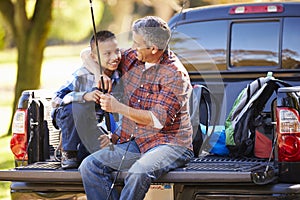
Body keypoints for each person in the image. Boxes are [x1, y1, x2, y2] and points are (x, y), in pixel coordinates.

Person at [78, 16, 194, 200]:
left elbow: (157, 120)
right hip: (137, 141)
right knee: (90, 166)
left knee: (139, 172)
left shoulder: (175, 75)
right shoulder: (134, 56)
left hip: (170, 144)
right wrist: (99, 72)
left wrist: (119, 107)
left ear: (153, 49)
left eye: (136, 43)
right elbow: (87, 53)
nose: (132, 47)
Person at [51, 30, 121, 169]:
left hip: (93, 125)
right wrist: (83, 96)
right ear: (94, 57)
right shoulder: (82, 74)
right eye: (107, 54)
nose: (115, 57)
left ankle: (80, 153)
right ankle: (68, 152)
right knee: (77, 106)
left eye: (117, 51)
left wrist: (113, 136)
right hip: (68, 117)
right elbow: (56, 100)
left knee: (92, 154)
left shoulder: (119, 76)